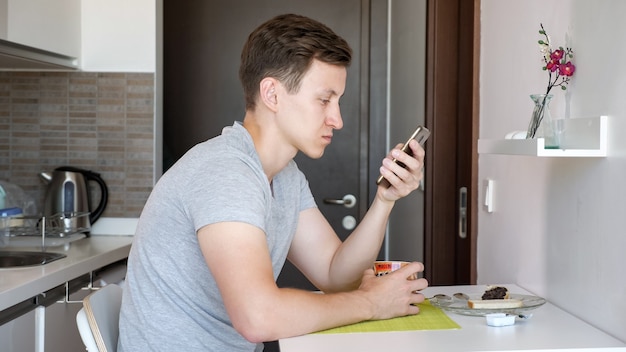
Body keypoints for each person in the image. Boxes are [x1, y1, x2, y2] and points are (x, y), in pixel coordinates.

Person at [117, 13, 428, 352]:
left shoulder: (285, 178)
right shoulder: (225, 172)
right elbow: (258, 318)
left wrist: (385, 200)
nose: (337, 119)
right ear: (272, 94)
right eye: (325, 100)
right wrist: (371, 304)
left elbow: (335, 276)